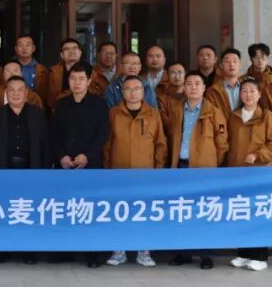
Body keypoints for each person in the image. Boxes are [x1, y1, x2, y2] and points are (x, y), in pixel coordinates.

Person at [0, 76, 49, 265]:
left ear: (26, 94)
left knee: (27, 211)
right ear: (6, 93)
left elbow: (45, 145)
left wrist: (45, 171)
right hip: (3, 169)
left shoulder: (37, 114)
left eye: (20, 90)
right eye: (12, 90)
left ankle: (28, 251)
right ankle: (2, 249)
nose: (16, 94)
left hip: (30, 169)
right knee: (4, 210)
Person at [104, 75, 167, 269]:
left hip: (145, 173)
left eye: (137, 89)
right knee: (119, 212)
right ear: (122, 92)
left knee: (144, 213)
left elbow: (160, 143)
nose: (132, 93)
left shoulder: (153, 114)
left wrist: (158, 169)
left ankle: (144, 251)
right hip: (118, 171)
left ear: (143, 92)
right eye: (128, 89)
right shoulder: (114, 113)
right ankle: (119, 250)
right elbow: (107, 144)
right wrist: (107, 169)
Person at [167, 71, 228, 269]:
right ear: (184, 88)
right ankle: (183, 253)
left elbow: (222, 144)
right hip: (181, 167)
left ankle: (206, 254)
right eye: (189, 83)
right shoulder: (177, 110)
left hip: (205, 170)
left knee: (205, 212)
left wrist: (211, 163)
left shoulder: (214, 112)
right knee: (182, 212)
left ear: (204, 88)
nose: (193, 87)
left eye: (197, 83)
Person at [52, 61, 110, 268]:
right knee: (67, 208)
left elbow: (103, 134)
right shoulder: (61, 104)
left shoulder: (99, 105)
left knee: (90, 209)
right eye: (72, 78)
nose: (76, 83)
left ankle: (92, 253)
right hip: (66, 165)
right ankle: (66, 250)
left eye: (81, 79)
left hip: (90, 165)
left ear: (89, 80)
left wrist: (88, 155)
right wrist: (61, 156)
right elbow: (54, 134)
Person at [226, 77, 272, 272]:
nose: (248, 95)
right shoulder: (233, 116)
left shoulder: (267, 117)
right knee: (241, 212)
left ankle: (260, 256)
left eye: (252, 91)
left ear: (259, 95)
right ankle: (243, 253)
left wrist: (258, 155)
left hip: (260, 174)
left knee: (259, 213)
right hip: (237, 173)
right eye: (244, 91)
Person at [0, 34, 49, 101]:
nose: (24, 48)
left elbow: (45, 94)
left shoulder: (42, 70)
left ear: (33, 48)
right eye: (21, 45)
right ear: (16, 49)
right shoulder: (4, 68)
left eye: (28, 45)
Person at [46, 38, 83, 110]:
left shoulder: (91, 72)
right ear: (62, 55)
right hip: (60, 110)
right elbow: (51, 99)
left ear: (80, 53)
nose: (71, 51)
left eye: (74, 48)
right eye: (67, 49)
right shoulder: (53, 72)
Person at [205, 48, 243, 117]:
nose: (231, 64)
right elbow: (211, 116)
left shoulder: (249, 87)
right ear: (221, 66)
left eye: (235, 61)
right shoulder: (212, 91)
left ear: (240, 65)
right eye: (227, 61)